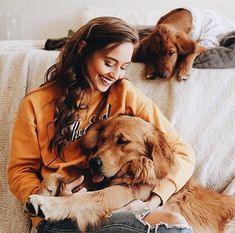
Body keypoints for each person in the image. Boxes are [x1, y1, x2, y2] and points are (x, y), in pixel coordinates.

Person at [8, 16, 195, 233]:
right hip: (55, 215)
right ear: (83, 50)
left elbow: (182, 153)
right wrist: (47, 200)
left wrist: (154, 199)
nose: (115, 75)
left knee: (172, 223)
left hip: (105, 208)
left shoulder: (125, 94)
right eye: (108, 63)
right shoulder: (36, 103)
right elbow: (20, 170)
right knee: (170, 227)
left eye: (124, 67)